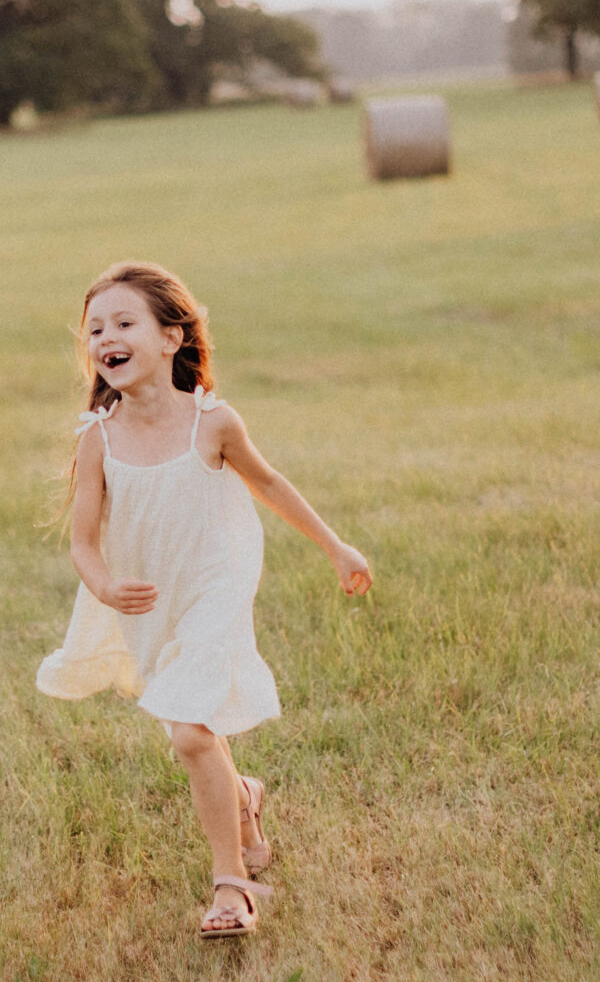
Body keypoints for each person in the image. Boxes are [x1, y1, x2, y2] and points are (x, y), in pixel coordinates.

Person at [37, 261, 373, 940]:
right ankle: (242, 794)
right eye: (95, 329)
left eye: (124, 322)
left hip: (216, 584)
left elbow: (269, 483)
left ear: (172, 337)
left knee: (190, 731)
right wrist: (105, 587)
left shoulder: (212, 422)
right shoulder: (99, 438)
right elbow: (83, 542)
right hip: (149, 599)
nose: (106, 338)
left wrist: (336, 547)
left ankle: (232, 886)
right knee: (193, 729)